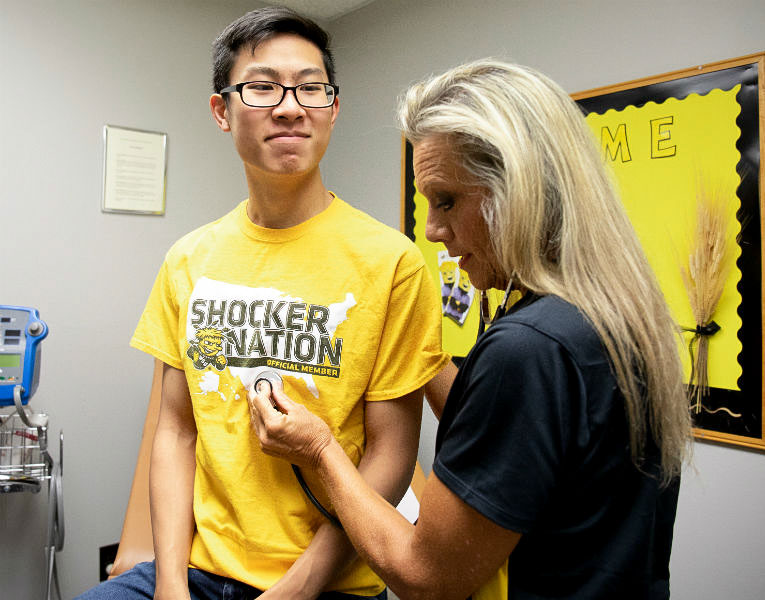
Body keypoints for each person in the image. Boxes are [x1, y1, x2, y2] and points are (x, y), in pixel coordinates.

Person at [248, 59, 693, 600]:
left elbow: (425, 576)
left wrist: (320, 449)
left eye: (448, 200)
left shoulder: (528, 350)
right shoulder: (613, 319)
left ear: (519, 187)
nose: (432, 231)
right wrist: (425, 355)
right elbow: (520, 441)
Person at [77, 6, 448, 600]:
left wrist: (296, 589)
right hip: (198, 573)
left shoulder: (392, 262)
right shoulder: (188, 260)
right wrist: (171, 582)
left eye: (310, 87)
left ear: (333, 107)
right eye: (263, 86)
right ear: (222, 110)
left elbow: (394, 455)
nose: (290, 106)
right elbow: (174, 432)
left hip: (329, 583)